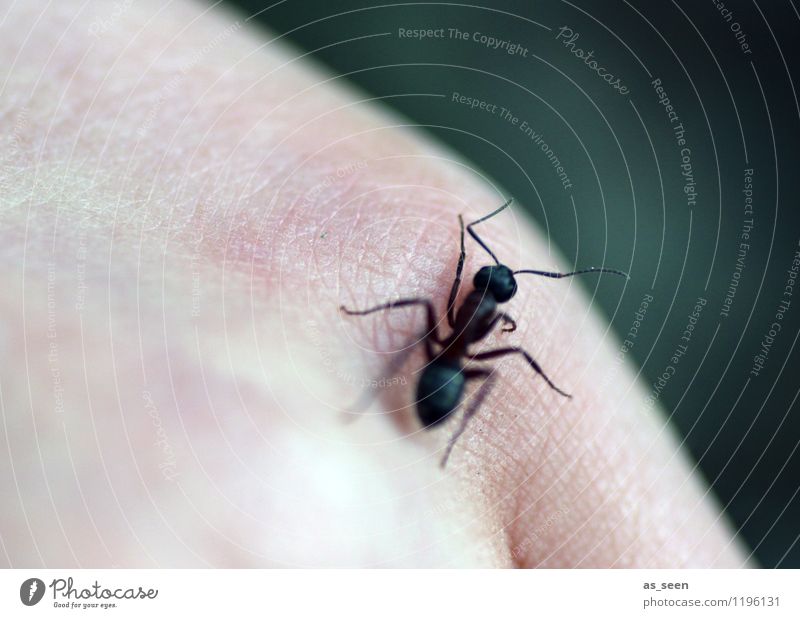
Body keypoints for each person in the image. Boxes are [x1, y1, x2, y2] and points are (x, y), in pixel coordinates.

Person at [0, 0, 748, 567]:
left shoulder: (475, 327)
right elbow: (465, 305)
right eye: (493, 279)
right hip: (437, 385)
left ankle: (433, 425)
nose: (489, 285)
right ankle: (411, 410)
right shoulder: (474, 317)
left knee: (468, 344)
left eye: (491, 282)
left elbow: (472, 319)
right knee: (446, 327)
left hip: (438, 389)